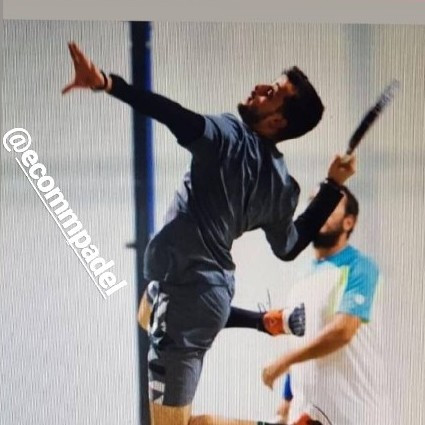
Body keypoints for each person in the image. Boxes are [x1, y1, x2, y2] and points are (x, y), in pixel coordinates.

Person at [63, 42, 356, 425]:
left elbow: (174, 115)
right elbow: (288, 246)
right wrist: (332, 186)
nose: (258, 88)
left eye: (271, 92)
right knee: (146, 312)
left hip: (189, 297)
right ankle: (262, 321)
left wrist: (107, 82)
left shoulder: (227, 136)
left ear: (276, 122)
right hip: (201, 289)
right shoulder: (283, 186)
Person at [257, 186, 384, 425]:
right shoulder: (303, 277)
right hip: (307, 415)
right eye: (317, 202)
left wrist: (283, 361)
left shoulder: (360, 267)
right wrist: (285, 405)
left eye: (331, 205)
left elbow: (342, 331)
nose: (322, 208)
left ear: (348, 222)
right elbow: (302, 341)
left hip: (354, 415)